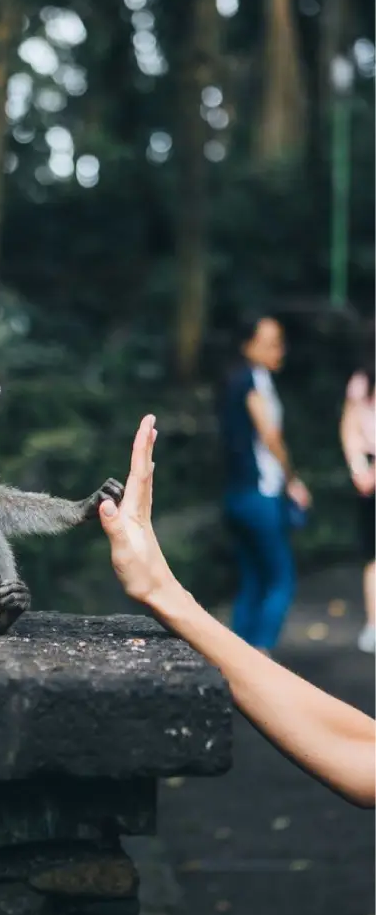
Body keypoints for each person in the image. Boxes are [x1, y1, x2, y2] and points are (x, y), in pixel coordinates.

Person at [98, 415, 375, 810]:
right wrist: (164, 593)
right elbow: (363, 756)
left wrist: (166, 595)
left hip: (245, 501)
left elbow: (362, 758)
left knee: (267, 580)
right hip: (257, 501)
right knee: (272, 579)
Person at [217, 315, 311, 655]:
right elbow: (269, 435)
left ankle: (235, 658)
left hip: (236, 494)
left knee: (252, 580)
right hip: (260, 495)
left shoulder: (234, 380)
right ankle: (260, 655)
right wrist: (292, 481)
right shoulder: (250, 381)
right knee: (281, 580)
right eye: (270, 343)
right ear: (247, 345)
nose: (279, 350)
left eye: (279, 342)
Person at [340, 327, 376, 654]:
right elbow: (350, 429)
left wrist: (363, 471)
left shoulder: (361, 382)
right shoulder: (362, 383)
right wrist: (361, 470)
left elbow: (349, 430)